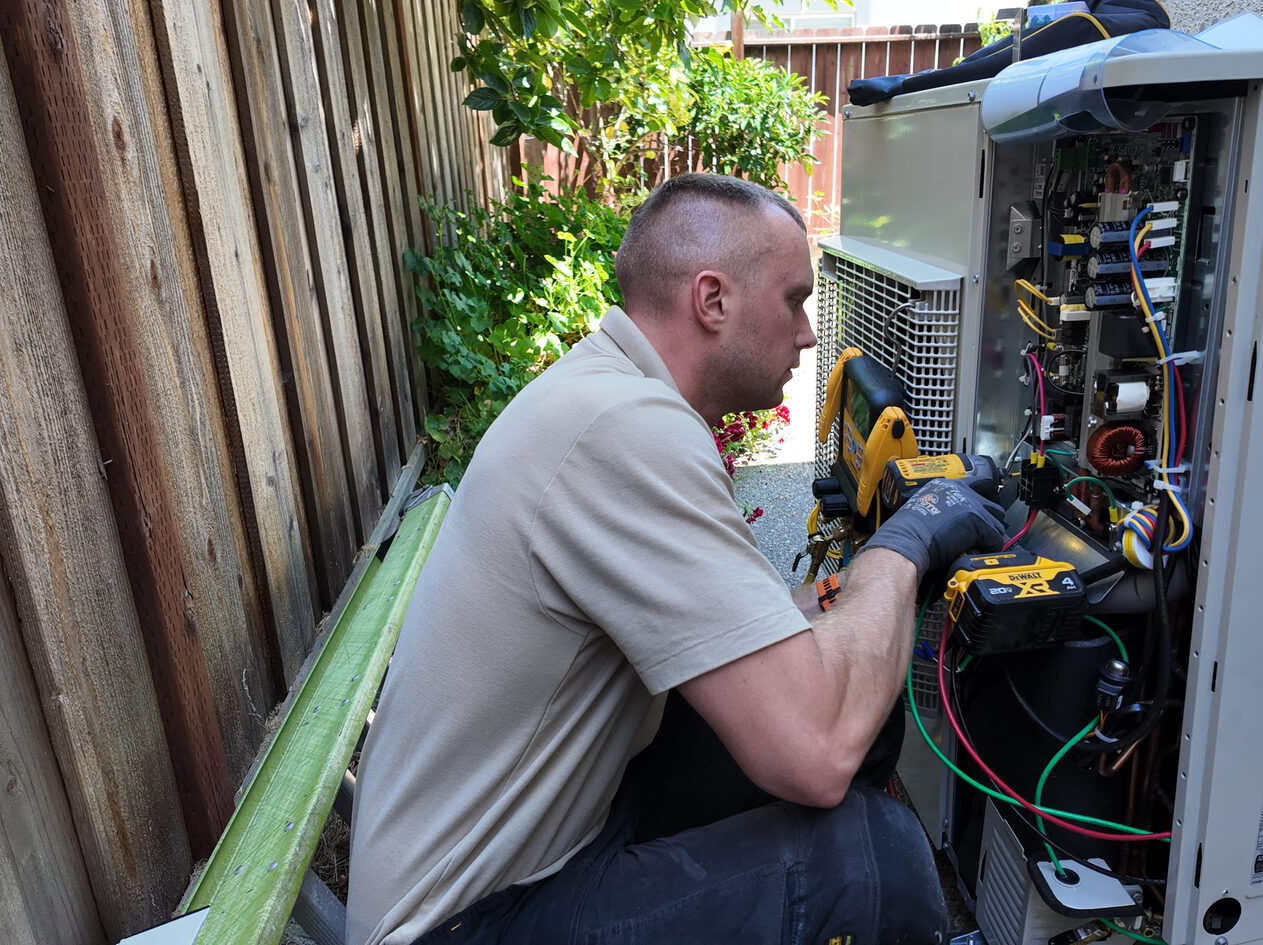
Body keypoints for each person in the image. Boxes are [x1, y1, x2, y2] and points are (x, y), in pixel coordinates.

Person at [347, 173, 1005, 945]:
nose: (807, 333)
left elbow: (751, 637)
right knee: (873, 864)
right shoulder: (624, 430)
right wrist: (906, 544)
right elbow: (817, 749)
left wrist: (849, 598)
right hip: (458, 924)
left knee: (858, 702)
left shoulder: (613, 394)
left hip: (543, 847)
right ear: (712, 300)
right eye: (793, 300)